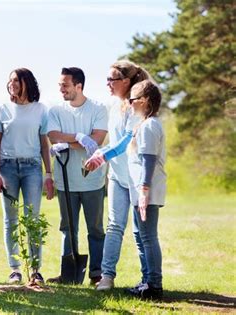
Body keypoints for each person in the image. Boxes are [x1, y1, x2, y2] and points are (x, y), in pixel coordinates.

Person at [84, 60, 151, 291]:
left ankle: (148, 279)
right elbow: (113, 142)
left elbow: (125, 142)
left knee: (140, 232)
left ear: (126, 81)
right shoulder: (113, 106)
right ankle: (107, 277)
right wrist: (100, 152)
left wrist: (102, 157)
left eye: (111, 80)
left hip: (135, 177)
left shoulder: (137, 106)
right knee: (114, 226)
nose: (107, 84)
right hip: (116, 176)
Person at [0, 68, 54, 284]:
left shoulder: (40, 110)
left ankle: (35, 269)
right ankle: (15, 269)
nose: (12, 84)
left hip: (32, 168)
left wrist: (48, 174)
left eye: (16, 80)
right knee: (11, 220)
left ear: (27, 82)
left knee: (32, 219)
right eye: (10, 81)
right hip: (7, 168)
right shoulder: (1, 110)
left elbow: (45, 145)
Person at [47, 67, 108, 285]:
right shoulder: (55, 111)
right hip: (65, 181)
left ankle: (97, 274)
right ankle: (69, 274)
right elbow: (53, 136)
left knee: (96, 229)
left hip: (92, 181)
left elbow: (97, 139)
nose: (61, 89)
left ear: (78, 86)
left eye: (65, 85)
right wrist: (80, 137)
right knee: (68, 229)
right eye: (60, 85)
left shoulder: (98, 109)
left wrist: (69, 143)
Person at [126, 80, 166, 299]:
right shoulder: (143, 124)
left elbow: (148, 160)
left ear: (146, 101)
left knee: (148, 237)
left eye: (134, 99)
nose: (130, 103)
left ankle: (154, 285)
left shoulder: (150, 126)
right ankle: (147, 279)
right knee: (140, 236)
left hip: (146, 192)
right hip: (140, 191)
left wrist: (144, 189)